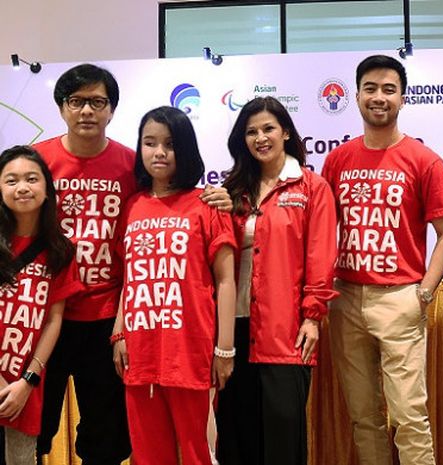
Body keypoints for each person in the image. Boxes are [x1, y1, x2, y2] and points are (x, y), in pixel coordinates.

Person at [33, 63, 232, 465]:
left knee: (107, 437)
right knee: (36, 430)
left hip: (109, 318)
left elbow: (175, 214)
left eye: (97, 102)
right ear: (61, 107)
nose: (87, 111)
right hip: (46, 316)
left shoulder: (130, 168)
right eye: (76, 101)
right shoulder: (36, 162)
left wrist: (223, 198)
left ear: (111, 110)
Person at [321, 55, 443, 465]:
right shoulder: (338, 159)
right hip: (346, 298)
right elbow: (319, 227)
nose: (379, 97)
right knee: (363, 417)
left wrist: (426, 289)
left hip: (400, 297)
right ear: (357, 95)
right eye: (370, 88)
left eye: (388, 89)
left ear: (402, 98)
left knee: (409, 416)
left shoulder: (423, 159)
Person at [111, 106, 236, 465]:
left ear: (185, 148)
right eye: (149, 143)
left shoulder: (207, 204)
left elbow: (226, 281)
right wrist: (120, 333)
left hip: (190, 353)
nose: (159, 152)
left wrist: (224, 350)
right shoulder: (132, 205)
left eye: (169, 143)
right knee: (149, 456)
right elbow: (129, 276)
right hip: (140, 353)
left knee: (198, 454)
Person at [216, 96, 337, 465]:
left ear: (286, 131)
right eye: (251, 132)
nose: (260, 138)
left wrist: (312, 317)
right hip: (232, 330)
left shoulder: (311, 188)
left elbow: (320, 256)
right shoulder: (232, 189)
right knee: (237, 432)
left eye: (268, 128)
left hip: (286, 331)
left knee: (283, 436)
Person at [0, 146, 82, 465]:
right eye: (11, 180)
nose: (22, 187)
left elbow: (53, 320)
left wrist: (28, 381)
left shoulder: (60, 251)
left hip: (24, 388)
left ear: (47, 189)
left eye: (31, 179)